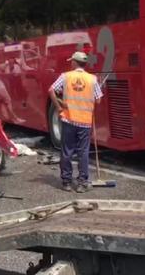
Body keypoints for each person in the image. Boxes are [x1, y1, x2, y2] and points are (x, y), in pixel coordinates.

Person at [48, 51, 103, 193]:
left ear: (74, 62)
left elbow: (51, 90)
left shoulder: (66, 76)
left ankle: (66, 181)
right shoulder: (92, 79)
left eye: (71, 61)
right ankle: (82, 183)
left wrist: (59, 106)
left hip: (69, 120)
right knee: (83, 152)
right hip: (85, 122)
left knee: (67, 151)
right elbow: (98, 100)